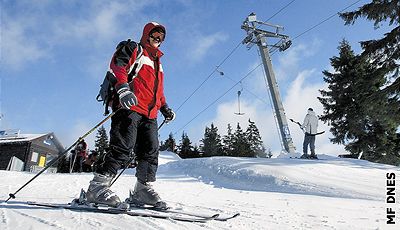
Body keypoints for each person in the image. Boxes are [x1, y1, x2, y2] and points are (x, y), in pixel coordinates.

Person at [85, 22, 175, 209]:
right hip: (129, 106)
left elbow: (157, 90)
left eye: (161, 38)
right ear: (146, 34)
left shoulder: (158, 62)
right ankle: (97, 187)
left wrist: (164, 106)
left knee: (150, 151)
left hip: (150, 114)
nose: (157, 40)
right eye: (154, 35)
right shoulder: (134, 48)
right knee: (123, 147)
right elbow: (118, 66)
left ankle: (142, 189)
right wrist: (123, 88)